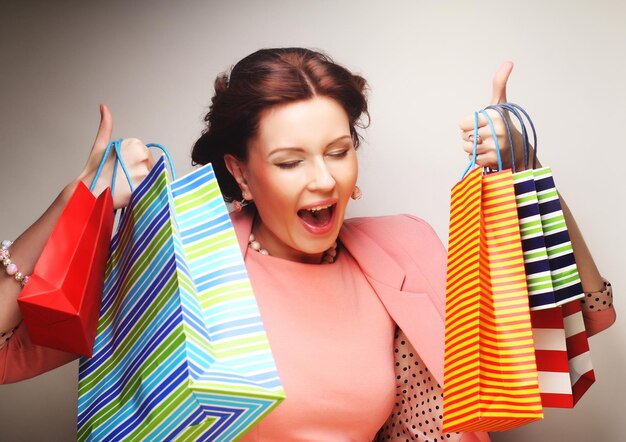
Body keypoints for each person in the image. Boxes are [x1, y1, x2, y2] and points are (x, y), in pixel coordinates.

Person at [0, 48, 615, 441]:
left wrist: (528, 182)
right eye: (290, 161)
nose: (324, 179)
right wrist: (75, 204)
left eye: (339, 151)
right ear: (241, 172)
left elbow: (583, 318)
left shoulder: (403, 248)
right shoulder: (179, 256)